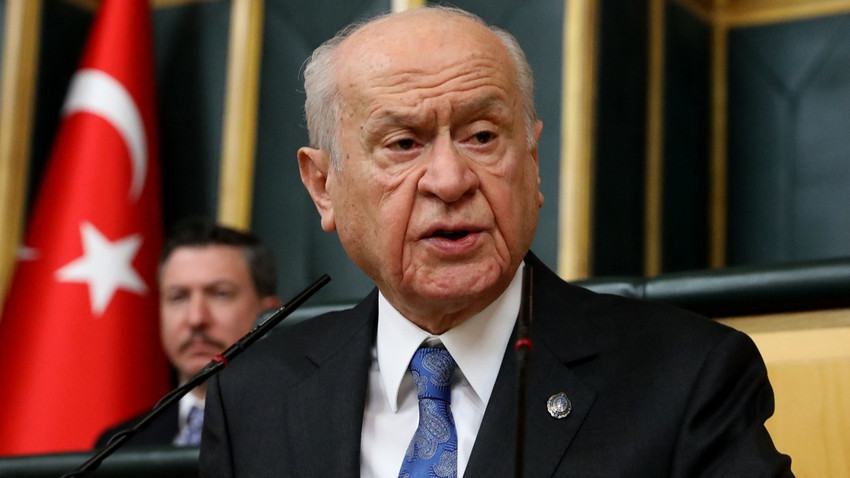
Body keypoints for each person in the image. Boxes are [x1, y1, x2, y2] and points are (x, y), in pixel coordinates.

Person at [199, 6, 793, 477]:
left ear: (532, 162)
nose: (450, 180)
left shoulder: (685, 378)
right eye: (404, 144)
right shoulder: (253, 398)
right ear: (323, 186)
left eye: (482, 136)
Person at [95, 217, 282, 448]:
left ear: (269, 314)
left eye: (220, 294)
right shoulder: (119, 447)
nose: (196, 318)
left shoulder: (301, 429)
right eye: (178, 297)